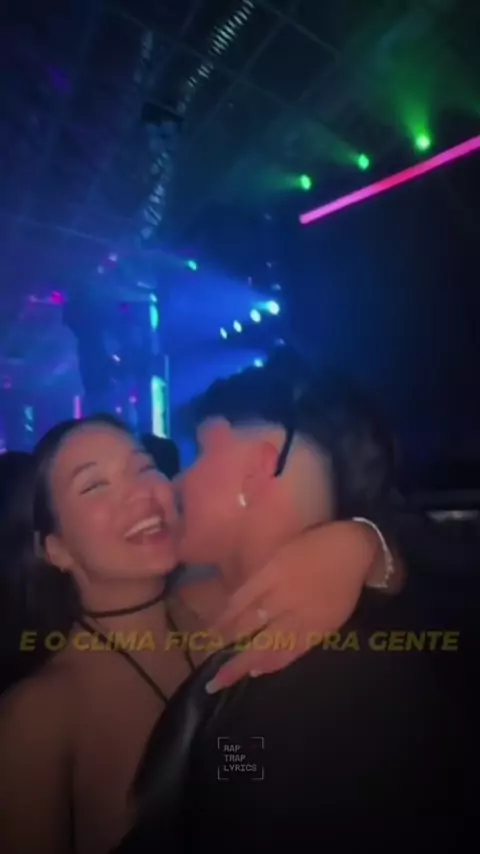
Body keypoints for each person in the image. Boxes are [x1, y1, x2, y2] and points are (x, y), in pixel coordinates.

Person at [114, 358, 473, 852]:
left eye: (198, 453)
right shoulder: (317, 645)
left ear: (257, 467)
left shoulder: (299, 680)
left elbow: (238, 794)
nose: (176, 483)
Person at [0, 413, 392, 854]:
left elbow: (406, 593)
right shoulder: (37, 716)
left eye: (144, 467)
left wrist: (363, 543)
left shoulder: (229, 610)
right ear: (55, 548)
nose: (140, 492)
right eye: (94, 485)